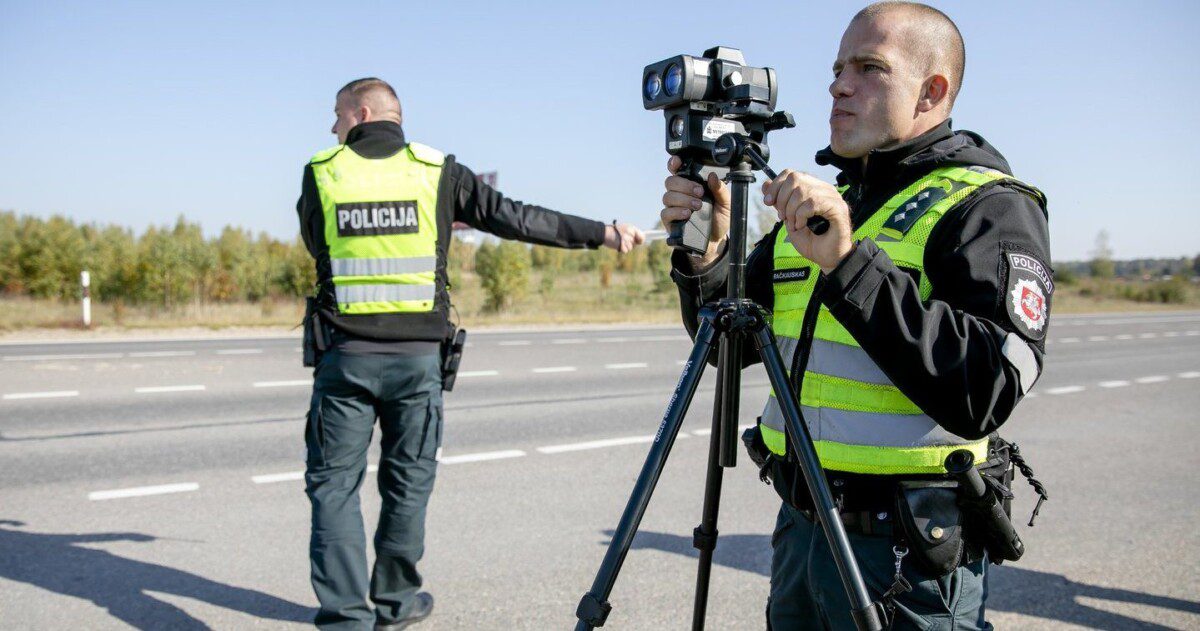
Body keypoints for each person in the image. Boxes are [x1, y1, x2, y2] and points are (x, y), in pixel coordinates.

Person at [661, 3, 1051, 629]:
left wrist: (848, 264)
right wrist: (708, 257)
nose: (839, 85)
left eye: (869, 68)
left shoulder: (987, 206)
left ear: (932, 91)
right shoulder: (822, 208)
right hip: (802, 532)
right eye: (837, 69)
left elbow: (986, 388)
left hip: (909, 555)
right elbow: (728, 350)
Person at [296, 77, 644, 631]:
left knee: (333, 488)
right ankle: (395, 605)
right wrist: (602, 232)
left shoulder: (322, 172)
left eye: (336, 115)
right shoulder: (438, 172)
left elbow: (317, 245)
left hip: (346, 357)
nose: (331, 127)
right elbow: (518, 219)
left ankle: (344, 619)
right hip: (417, 364)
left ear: (360, 113)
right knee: (407, 484)